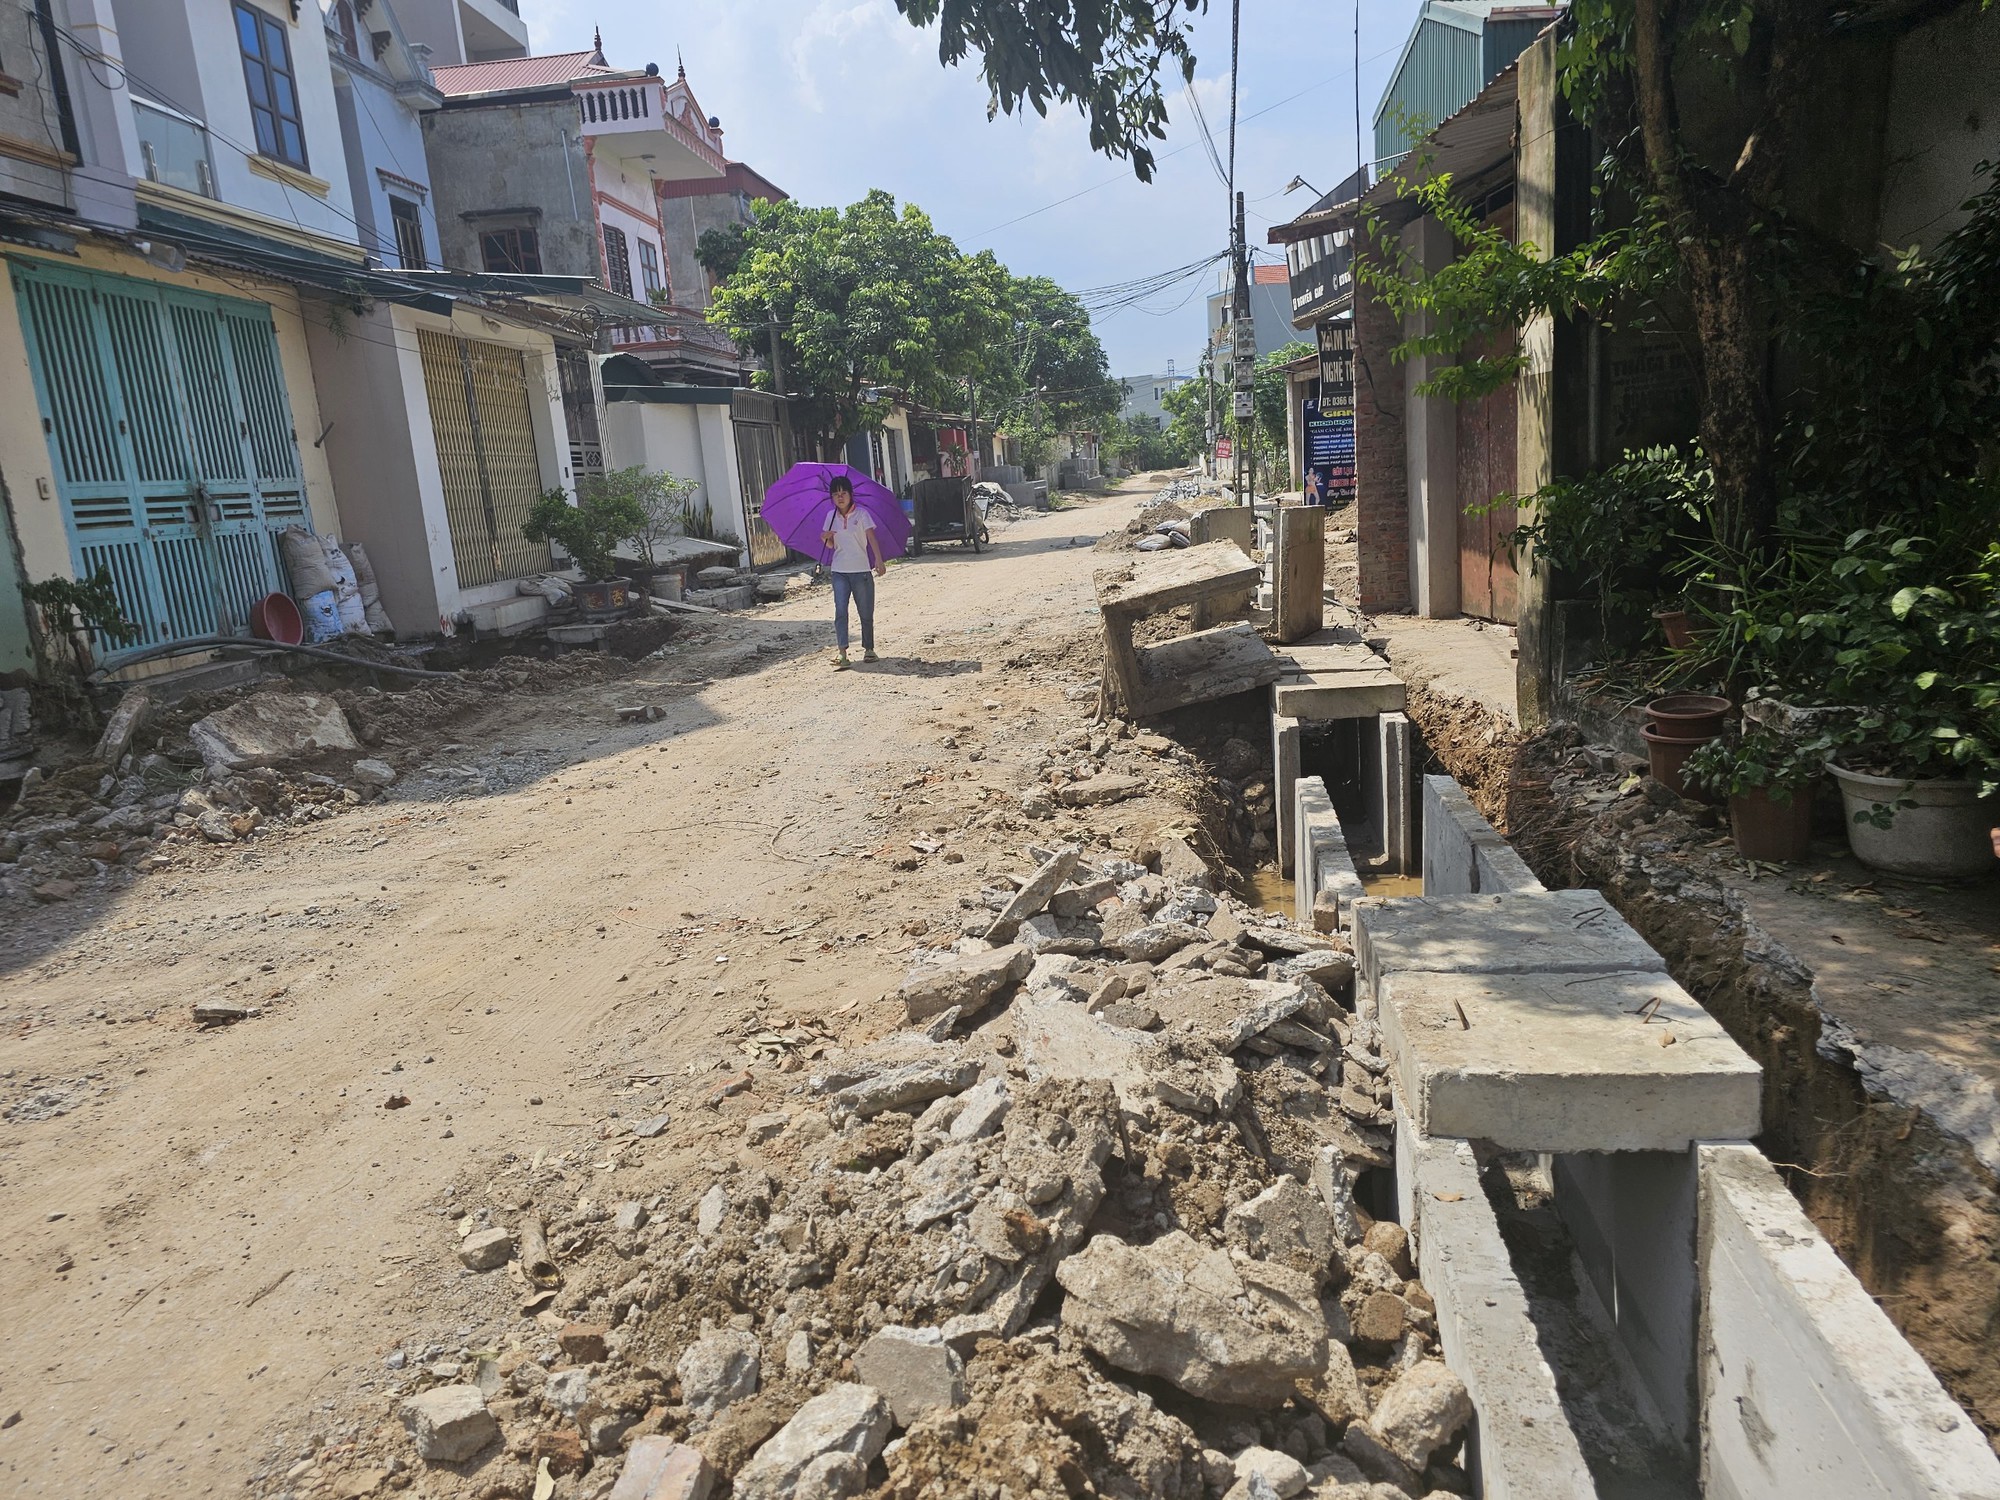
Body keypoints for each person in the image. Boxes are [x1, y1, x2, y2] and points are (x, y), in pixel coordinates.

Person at [821, 475, 885, 668]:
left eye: (843, 493)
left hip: (861, 570)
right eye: (836, 494)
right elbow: (831, 545)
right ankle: (842, 653)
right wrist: (825, 537)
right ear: (832, 497)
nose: (840, 497)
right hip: (839, 571)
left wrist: (878, 560)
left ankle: (869, 649)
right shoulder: (830, 517)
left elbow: (872, 539)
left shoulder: (862, 515)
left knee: (865, 611)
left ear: (850, 494)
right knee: (840, 611)